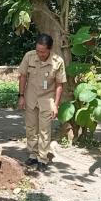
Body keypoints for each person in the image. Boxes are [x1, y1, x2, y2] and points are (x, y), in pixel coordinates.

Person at [17, 33, 67, 171]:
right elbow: (22, 77)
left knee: (44, 130)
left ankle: (43, 158)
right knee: (31, 128)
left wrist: (56, 105)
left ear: (49, 49)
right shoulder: (29, 56)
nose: (40, 54)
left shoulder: (58, 61)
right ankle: (33, 155)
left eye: (43, 52)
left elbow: (59, 85)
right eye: (38, 50)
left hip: (47, 99)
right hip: (30, 97)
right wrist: (21, 96)